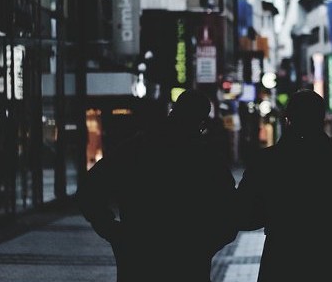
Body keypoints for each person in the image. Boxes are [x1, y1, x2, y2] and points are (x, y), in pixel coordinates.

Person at [76, 89, 237, 282]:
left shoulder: (136, 149)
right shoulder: (207, 161)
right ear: (201, 124)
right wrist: (205, 245)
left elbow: (89, 190)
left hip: (139, 258)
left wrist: (113, 232)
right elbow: (231, 213)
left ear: (172, 112)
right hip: (188, 263)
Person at [236, 89, 332, 282]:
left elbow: (243, 214)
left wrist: (273, 213)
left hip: (279, 257)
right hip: (325, 257)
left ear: (288, 118)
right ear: (321, 119)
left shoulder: (267, 161)